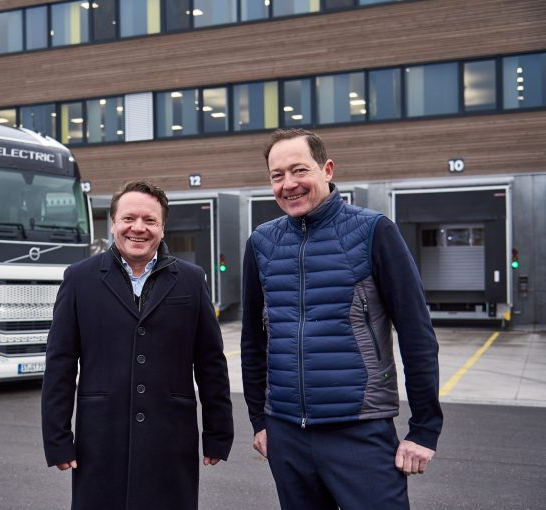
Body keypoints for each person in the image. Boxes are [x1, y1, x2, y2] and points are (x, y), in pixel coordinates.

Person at [241, 129, 443, 509]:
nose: (289, 184)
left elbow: (417, 333)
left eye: (299, 170)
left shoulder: (373, 231)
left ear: (327, 169)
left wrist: (424, 429)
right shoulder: (261, 243)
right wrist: (260, 421)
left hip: (360, 431)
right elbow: (253, 341)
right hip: (286, 433)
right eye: (277, 176)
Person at [42, 180, 234, 510]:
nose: (138, 228)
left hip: (170, 439)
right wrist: (57, 439)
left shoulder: (191, 279)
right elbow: (59, 364)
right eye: (129, 218)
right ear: (114, 222)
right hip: (101, 440)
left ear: (162, 227)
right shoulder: (79, 279)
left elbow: (210, 363)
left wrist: (218, 433)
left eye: (150, 220)